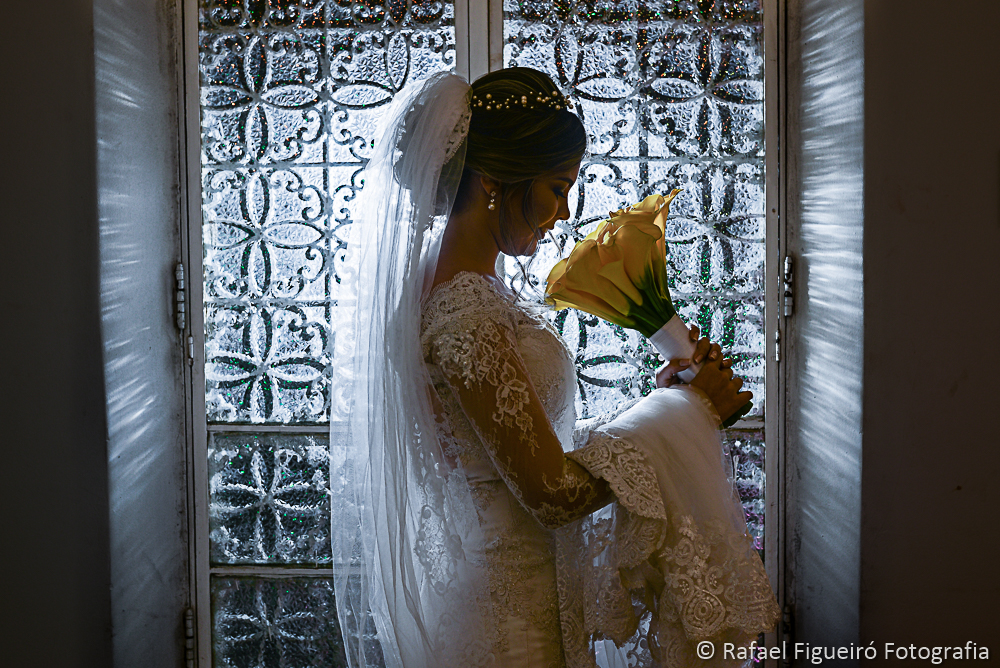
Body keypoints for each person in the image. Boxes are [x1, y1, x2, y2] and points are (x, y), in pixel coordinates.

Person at [332, 68, 779, 668]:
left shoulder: (462, 289)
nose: (565, 212)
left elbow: (532, 446)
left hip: (527, 597)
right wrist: (688, 415)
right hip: (511, 625)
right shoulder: (463, 312)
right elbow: (553, 494)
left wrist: (667, 401)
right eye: (556, 187)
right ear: (494, 181)